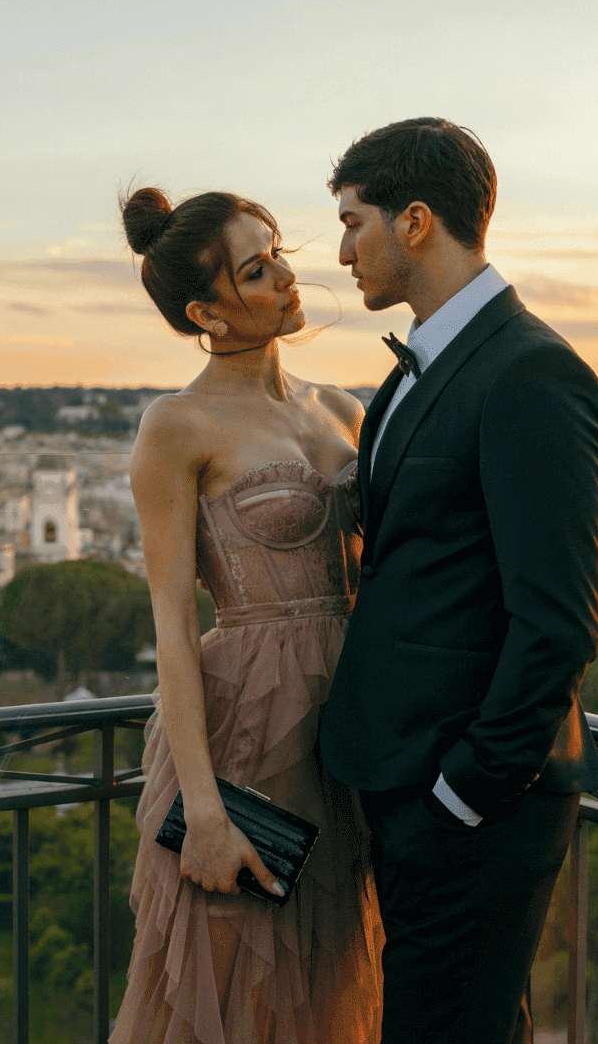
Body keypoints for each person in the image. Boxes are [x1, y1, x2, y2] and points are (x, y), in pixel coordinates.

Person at [318, 118, 598, 1043]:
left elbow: (558, 621)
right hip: (416, 782)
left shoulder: (532, 373)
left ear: (414, 223)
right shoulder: (430, 368)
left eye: (352, 221)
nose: (341, 250)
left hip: (472, 802)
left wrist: (466, 790)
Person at [111, 186, 385, 1044]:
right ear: (207, 312)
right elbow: (171, 624)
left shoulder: (340, 405)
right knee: (241, 976)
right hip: (250, 730)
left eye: (279, 257)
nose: (288, 280)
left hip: (352, 720)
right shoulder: (177, 425)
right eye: (257, 271)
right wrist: (205, 812)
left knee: (332, 969)